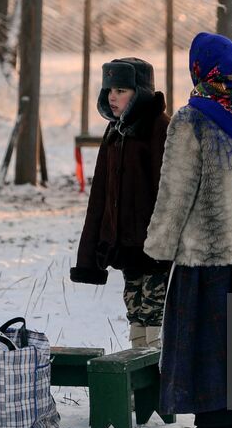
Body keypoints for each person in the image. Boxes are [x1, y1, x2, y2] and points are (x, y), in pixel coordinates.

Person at [143, 32, 232, 428]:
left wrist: (159, 246)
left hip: (206, 249)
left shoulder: (192, 119)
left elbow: (176, 190)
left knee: (207, 335)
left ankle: (214, 423)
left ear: (198, 69)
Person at [70, 58, 171, 348]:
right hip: (127, 248)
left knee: (156, 316)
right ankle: (138, 375)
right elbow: (100, 195)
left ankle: (157, 379)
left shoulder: (159, 129)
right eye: (110, 89)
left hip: (155, 250)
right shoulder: (115, 131)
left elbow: (167, 192)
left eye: (122, 90)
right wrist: (90, 256)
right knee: (135, 313)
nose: (113, 96)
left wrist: (164, 242)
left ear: (140, 92)